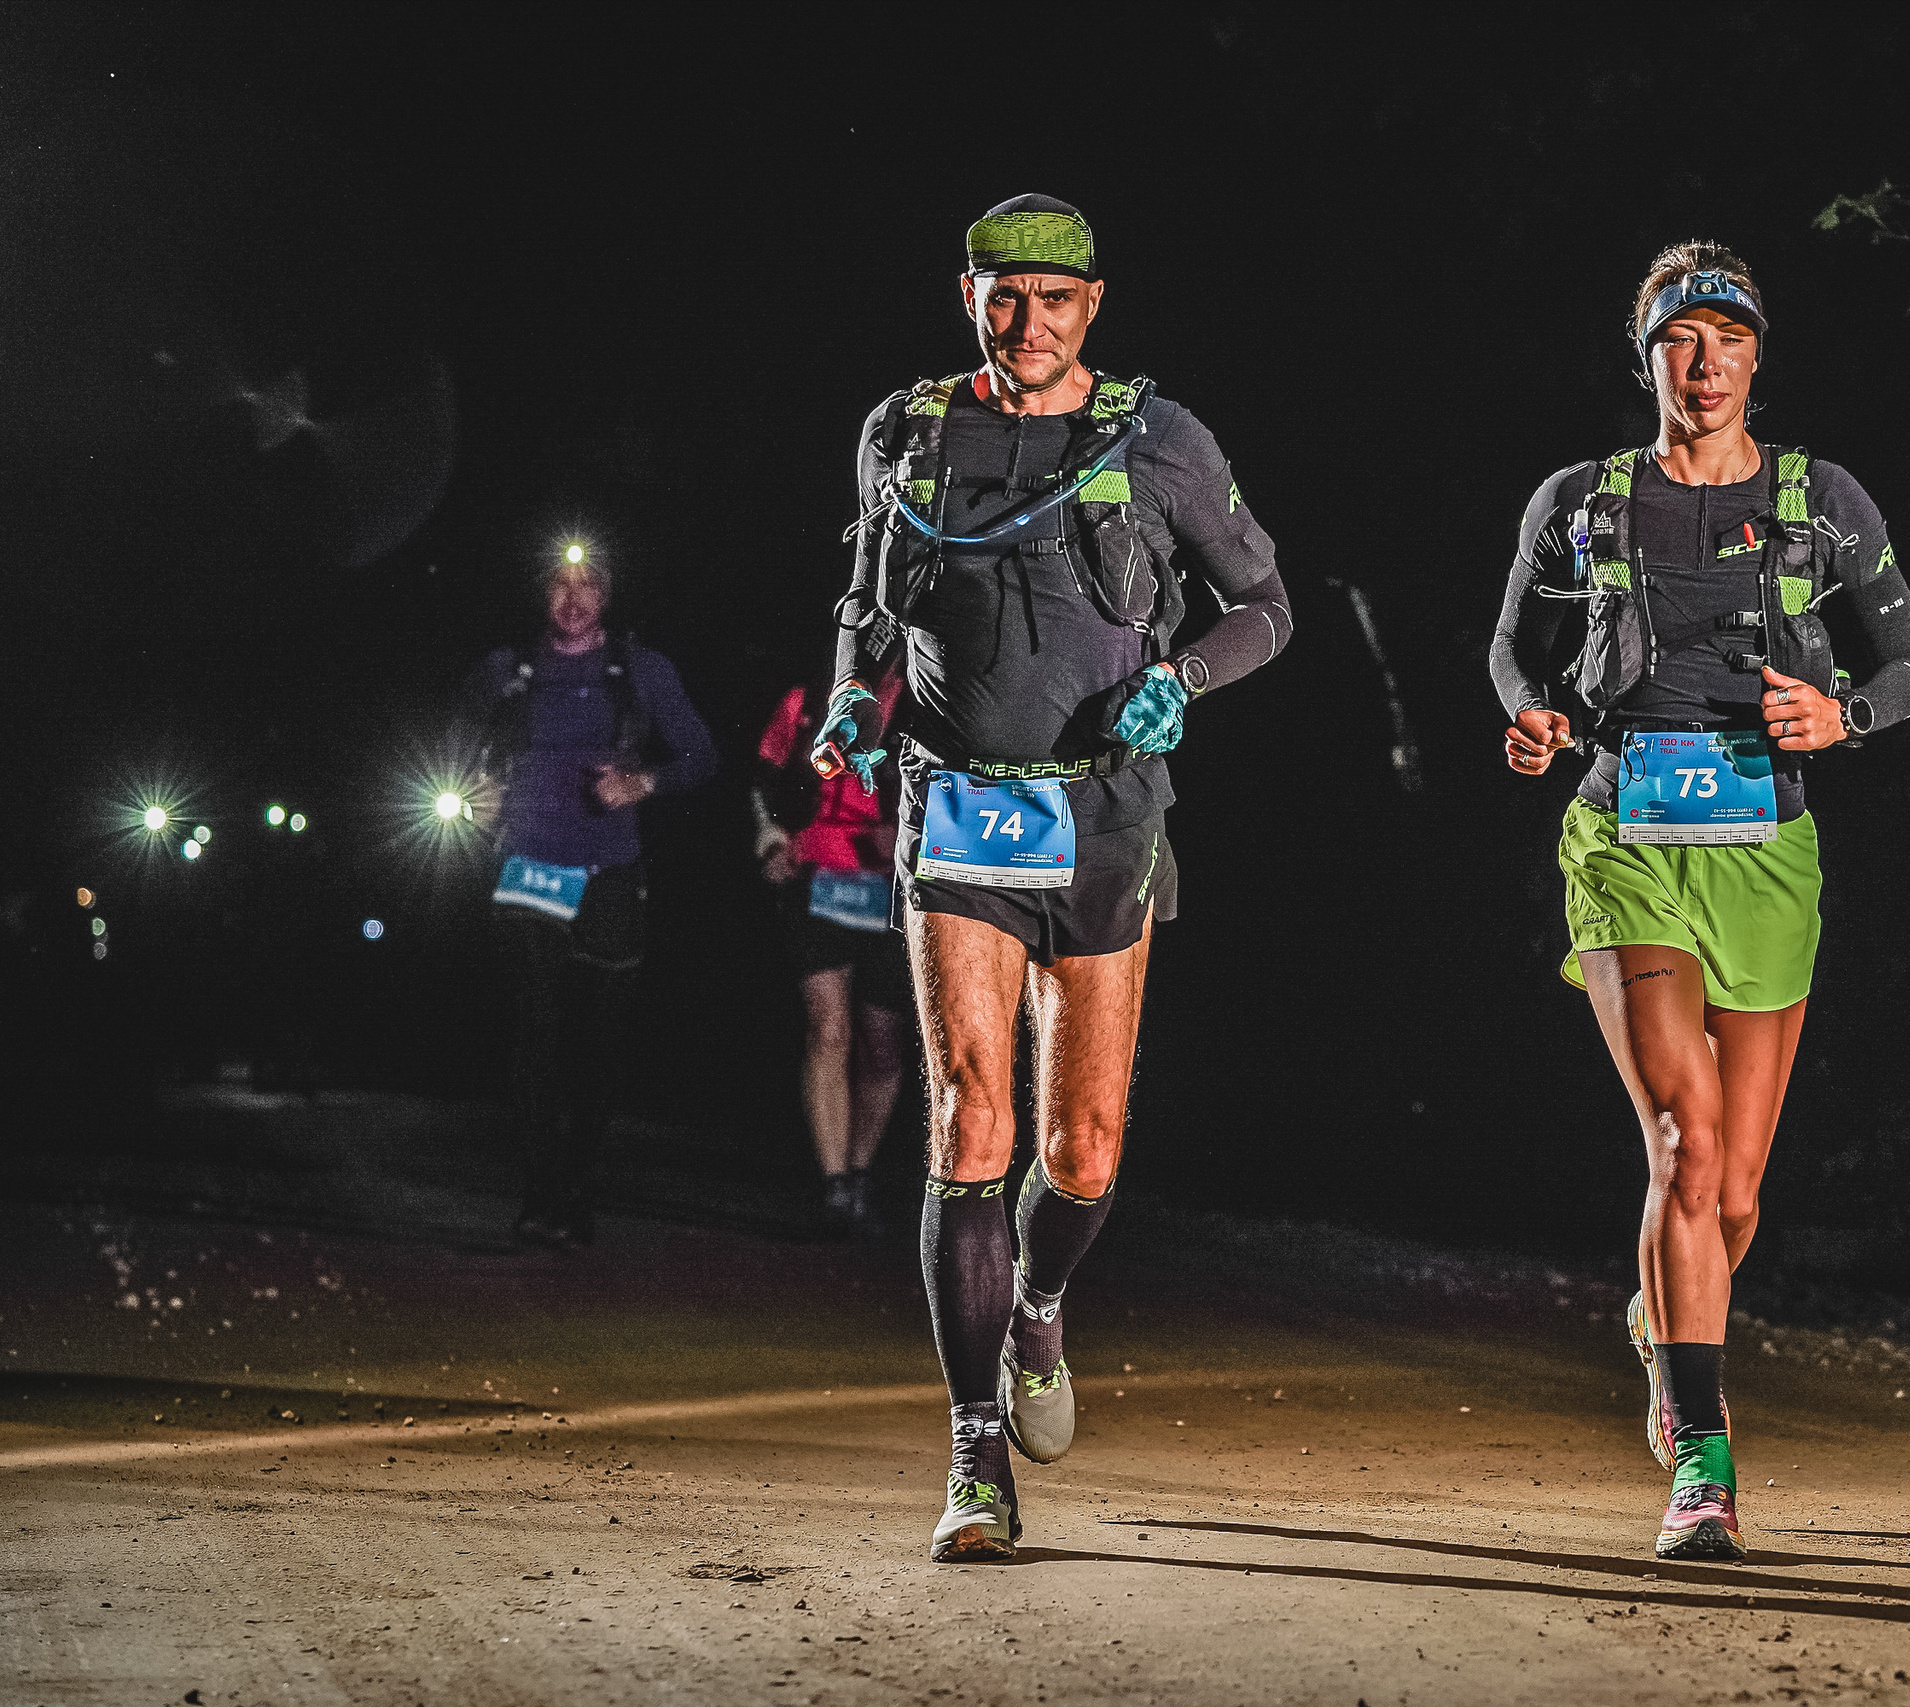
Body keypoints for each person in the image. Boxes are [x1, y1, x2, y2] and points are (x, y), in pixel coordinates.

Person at [812, 195, 1291, 1561]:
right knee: (971, 1116)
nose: (1028, 325)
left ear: (1096, 305)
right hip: (955, 807)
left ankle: (1037, 1299)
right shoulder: (904, 430)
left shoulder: (1159, 438)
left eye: (1056, 302)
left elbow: (1268, 603)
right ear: (967, 295)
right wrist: (854, 698)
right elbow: (865, 599)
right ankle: (973, 1454)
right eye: (1003, 298)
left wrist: (1181, 678)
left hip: (1108, 818)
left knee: (1080, 1151)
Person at [1489, 242, 1910, 1562]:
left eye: (1726, 339)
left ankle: (1663, 1316)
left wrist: (1840, 711)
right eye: (1680, 339)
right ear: (1648, 361)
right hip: (1625, 835)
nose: (1703, 362)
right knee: (1682, 1144)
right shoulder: (1582, 501)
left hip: (1770, 850)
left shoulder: (1826, 502)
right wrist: (1530, 714)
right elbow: (1512, 645)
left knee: (1734, 1194)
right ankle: (1703, 1452)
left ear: (1756, 356)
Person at [459, 545, 715, 1248]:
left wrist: (644, 783)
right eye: (559, 584)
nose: (573, 599)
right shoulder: (506, 670)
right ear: (541, 592)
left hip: (609, 868)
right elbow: (452, 752)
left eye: (589, 584)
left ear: (608, 594)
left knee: (597, 1040)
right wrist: (472, 798)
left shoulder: (640, 670)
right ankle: (539, 1196)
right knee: (534, 1029)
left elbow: (700, 753)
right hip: (527, 863)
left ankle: (578, 1188)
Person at [752, 656, 913, 1232]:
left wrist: (916, 837)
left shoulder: (925, 697)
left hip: (893, 891)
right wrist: (770, 839)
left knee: (882, 1044)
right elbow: (765, 779)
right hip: (815, 880)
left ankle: (861, 1168)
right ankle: (835, 1184)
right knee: (829, 1028)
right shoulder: (808, 697)